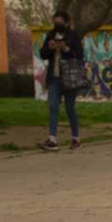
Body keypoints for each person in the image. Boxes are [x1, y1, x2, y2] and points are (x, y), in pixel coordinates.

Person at [39, 10, 84, 151]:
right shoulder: (51, 35)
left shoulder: (73, 36)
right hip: (55, 77)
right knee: (53, 107)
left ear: (66, 22)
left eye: (59, 22)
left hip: (70, 77)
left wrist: (65, 48)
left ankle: (76, 138)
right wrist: (50, 48)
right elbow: (43, 54)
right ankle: (52, 140)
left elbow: (79, 55)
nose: (57, 24)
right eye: (55, 22)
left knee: (70, 108)